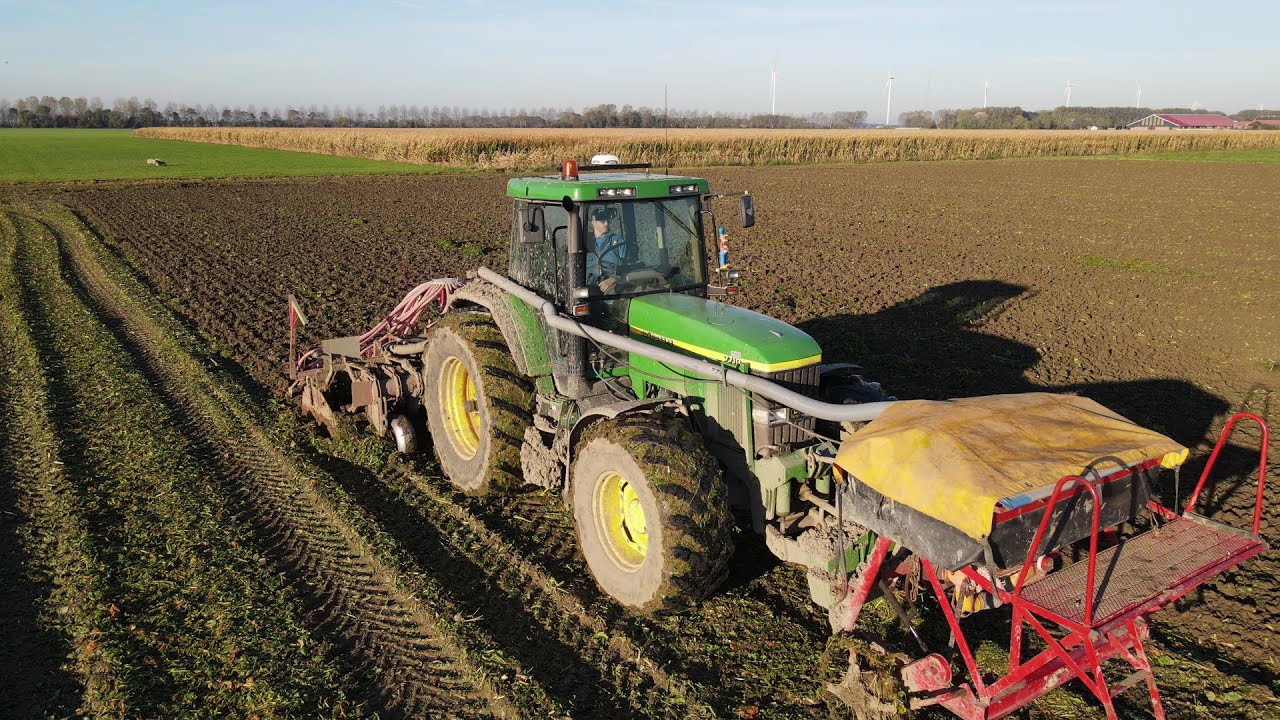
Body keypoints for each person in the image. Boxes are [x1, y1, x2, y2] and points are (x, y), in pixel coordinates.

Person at [587, 206, 625, 291]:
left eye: (608, 220)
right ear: (593, 223)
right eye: (602, 221)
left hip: (613, 289)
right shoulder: (586, 244)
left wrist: (613, 279)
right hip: (590, 289)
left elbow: (627, 266)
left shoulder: (618, 241)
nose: (606, 223)